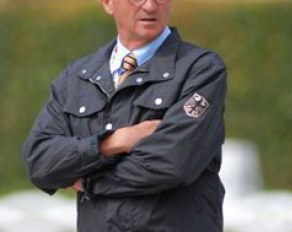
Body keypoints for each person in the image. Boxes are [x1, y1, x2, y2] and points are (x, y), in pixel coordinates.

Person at [23, 0, 227, 231]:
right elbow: (40, 162)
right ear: (108, 3)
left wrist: (88, 180)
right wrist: (111, 143)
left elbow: (171, 163)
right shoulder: (77, 77)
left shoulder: (201, 70)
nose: (150, 6)